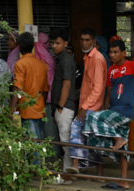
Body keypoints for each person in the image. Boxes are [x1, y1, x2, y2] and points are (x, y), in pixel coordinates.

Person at [84, 37, 134, 190]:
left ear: (124, 53)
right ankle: (124, 181)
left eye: (116, 52)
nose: (112, 55)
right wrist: (105, 110)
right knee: (123, 149)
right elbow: (109, 92)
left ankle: (117, 139)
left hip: (125, 112)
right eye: (111, 52)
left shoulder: (133, 66)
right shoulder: (111, 70)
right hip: (113, 111)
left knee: (93, 118)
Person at [69, 28, 107, 172]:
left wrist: (84, 107)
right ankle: (80, 166)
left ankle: (78, 165)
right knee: (90, 136)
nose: (84, 43)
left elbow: (97, 88)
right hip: (87, 105)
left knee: (82, 132)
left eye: (87, 40)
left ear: (94, 41)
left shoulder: (97, 58)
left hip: (91, 107)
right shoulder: (88, 57)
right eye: (82, 40)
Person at [49, 28, 79, 177]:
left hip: (65, 106)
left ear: (66, 43)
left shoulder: (66, 60)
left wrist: (59, 106)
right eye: (52, 43)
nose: (54, 46)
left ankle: (67, 175)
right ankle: (66, 174)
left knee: (66, 142)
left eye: (57, 43)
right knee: (65, 142)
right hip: (64, 106)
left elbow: (66, 84)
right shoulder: (61, 58)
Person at [11, 32, 49, 145]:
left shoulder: (20, 64)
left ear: (20, 47)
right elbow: (45, 90)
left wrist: (11, 108)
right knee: (39, 144)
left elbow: (17, 87)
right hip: (40, 109)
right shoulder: (42, 65)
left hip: (27, 110)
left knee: (31, 146)